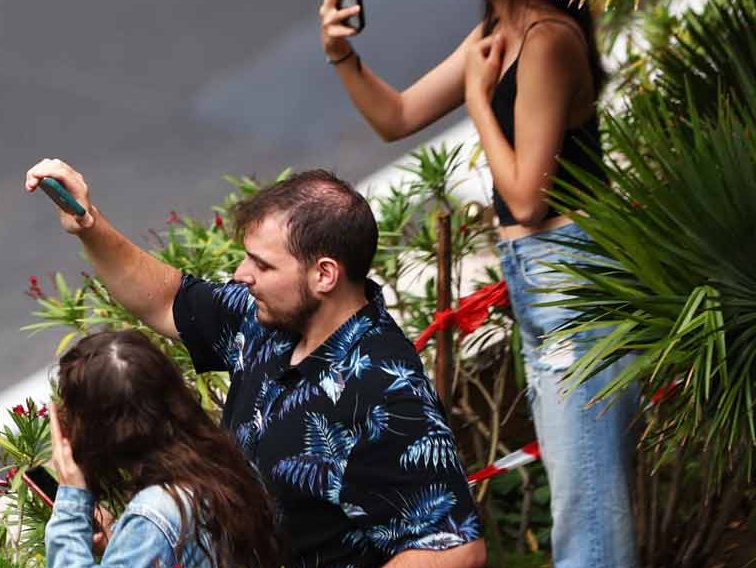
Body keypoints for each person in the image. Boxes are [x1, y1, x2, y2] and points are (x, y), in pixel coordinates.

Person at [319, 0, 638, 568]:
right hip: (541, 283)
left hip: (574, 281)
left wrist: (476, 98)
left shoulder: (547, 40)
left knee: (592, 526)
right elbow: (397, 117)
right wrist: (341, 54)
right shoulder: (497, 33)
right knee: (583, 509)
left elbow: (525, 196)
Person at [24, 161, 488, 568]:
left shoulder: (384, 390)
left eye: (262, 265)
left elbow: (453, 548)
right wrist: (89, 223)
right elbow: (167, 299)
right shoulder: (265, 319)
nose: (241, 275)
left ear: (323, 274)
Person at [45, 329, 283, 568]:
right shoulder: (228, 464)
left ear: (97, 431)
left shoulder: (155, 513)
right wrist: (123, 539)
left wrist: (71, 501)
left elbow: (164, 523)